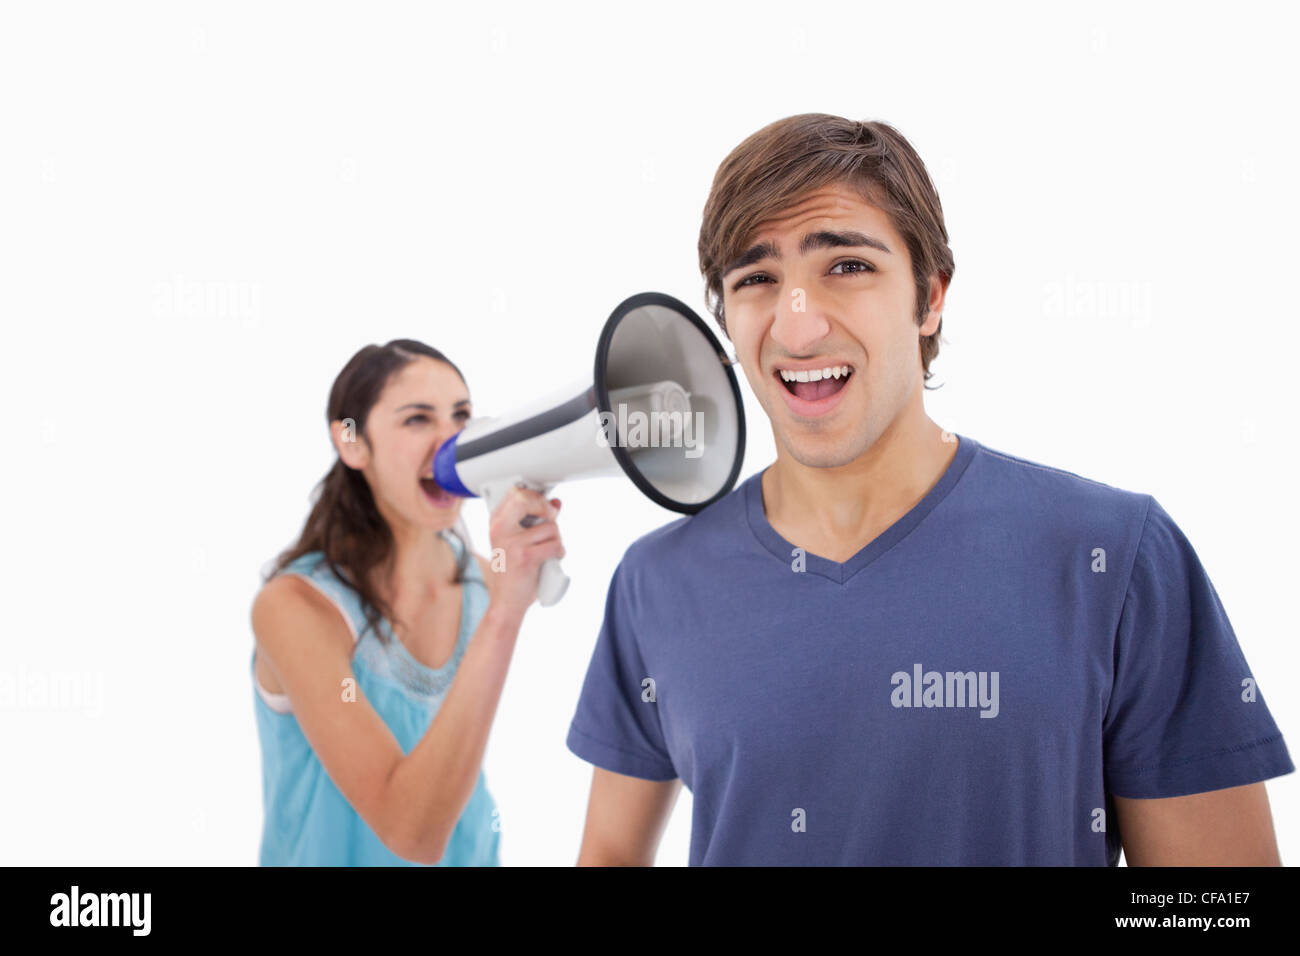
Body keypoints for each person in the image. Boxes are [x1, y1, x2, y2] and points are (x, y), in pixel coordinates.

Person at [565, 114, 1293, 866]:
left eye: (846, 265)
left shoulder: (1116, 555)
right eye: (756, 279)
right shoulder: (656, 582)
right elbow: (611, 852)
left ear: (931, 295)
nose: (799, 324)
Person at [250, 339, 563, 865]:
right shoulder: (294, 608)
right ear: (352, 444)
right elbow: (412, 832)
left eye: (461, 416)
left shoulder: (488, 582)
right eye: (417, 420)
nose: (450, 444)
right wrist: (506, 615)